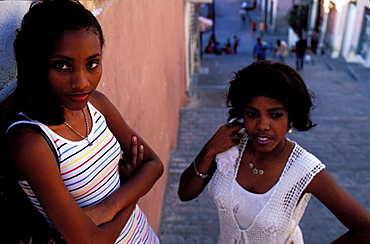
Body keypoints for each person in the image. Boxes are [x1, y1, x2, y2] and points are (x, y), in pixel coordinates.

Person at [6, 0, 163, 243]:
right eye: (62, 65)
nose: (81, 82)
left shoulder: (97, 105)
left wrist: (107, 208)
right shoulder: (31, 142)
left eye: (92, 64)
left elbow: (154, 165)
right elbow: (90, 241)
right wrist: (132, 193)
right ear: (36, 66)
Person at [178, 60, 370, 243]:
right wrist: (209, 150)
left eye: (275, 115)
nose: (262, 125)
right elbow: (185, 194)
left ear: (291, 117)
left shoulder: (304, 169)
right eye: (252, 114)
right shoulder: (230, 148)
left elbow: (365, 228)